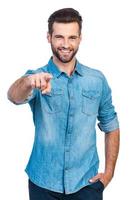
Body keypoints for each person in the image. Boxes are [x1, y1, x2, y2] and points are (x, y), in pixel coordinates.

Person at [7, 8, 120, 200]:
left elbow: (111, 126)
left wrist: (108, 175)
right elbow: (14, 96)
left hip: (87, 185)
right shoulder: (36, 76)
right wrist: (28, 81)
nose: (65, 44)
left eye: (72, 37)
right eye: (59, 37)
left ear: (80, 38)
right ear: (49, 37)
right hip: (43, 184)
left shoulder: (96, 79)